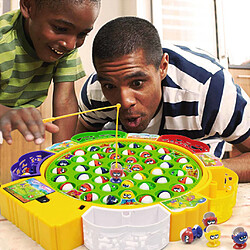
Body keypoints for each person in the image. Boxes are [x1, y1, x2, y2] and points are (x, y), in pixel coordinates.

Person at [76, 16, 250, 182]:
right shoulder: (96, 90)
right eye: (110, 86)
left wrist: (199, 170)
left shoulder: (209, 88)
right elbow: (77, 151)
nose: (125, 101)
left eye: (137, 83)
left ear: (162, 67)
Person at [0, 0, 100, 145]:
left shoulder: (65, 45)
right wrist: (4, 112)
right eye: (61, 28)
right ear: (28, 6)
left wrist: (60, 157)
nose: (71, 45)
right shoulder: (3, 40)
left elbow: (65, 100)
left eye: (82, 34)